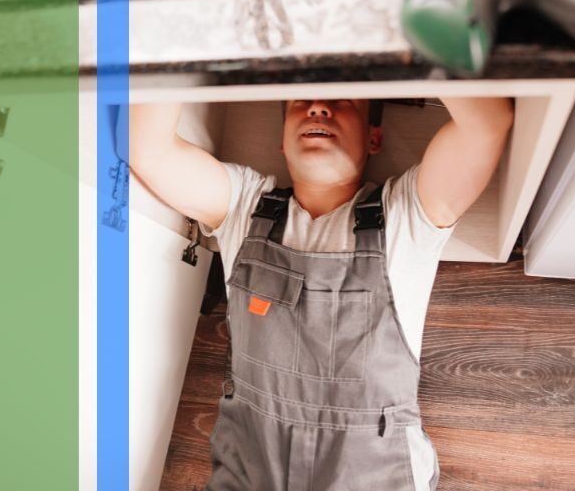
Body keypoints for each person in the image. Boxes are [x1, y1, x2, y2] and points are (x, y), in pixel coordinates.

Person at [129, 97, 513, 491]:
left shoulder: (405, 216)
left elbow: (486, 123)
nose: (317, 106)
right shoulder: (245, 206)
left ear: (373, 138)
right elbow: (149, 150)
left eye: (343, 101)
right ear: (282, 140)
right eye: (299, 102)